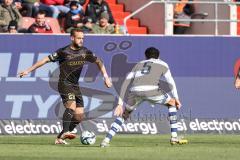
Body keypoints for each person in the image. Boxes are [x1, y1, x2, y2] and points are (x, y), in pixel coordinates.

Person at [19, 28, 112, 144]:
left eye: (83, 38)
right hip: (64, 83)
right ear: (72, 38)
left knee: (78, 117)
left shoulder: (85, 51)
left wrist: (106, 76)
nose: (81, 40)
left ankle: (59, 138)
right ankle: (66, 131)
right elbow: (45, 60)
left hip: (75, 85)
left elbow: (99, 61)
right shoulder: (63, 52)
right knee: (71, 106)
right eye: (79, 38)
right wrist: (28, 70)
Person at [100, 47, 188, 147]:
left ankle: (106, 141)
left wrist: (120, 104)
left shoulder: (139, 64)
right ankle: (174, 137)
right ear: (158, 56)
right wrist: (176, 98)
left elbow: (125, 83)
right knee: (172, 103)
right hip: (152, 90)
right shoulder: (163, 64)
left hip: (135, 91)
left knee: (124, 114)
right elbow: (170, 81)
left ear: (145, 56)